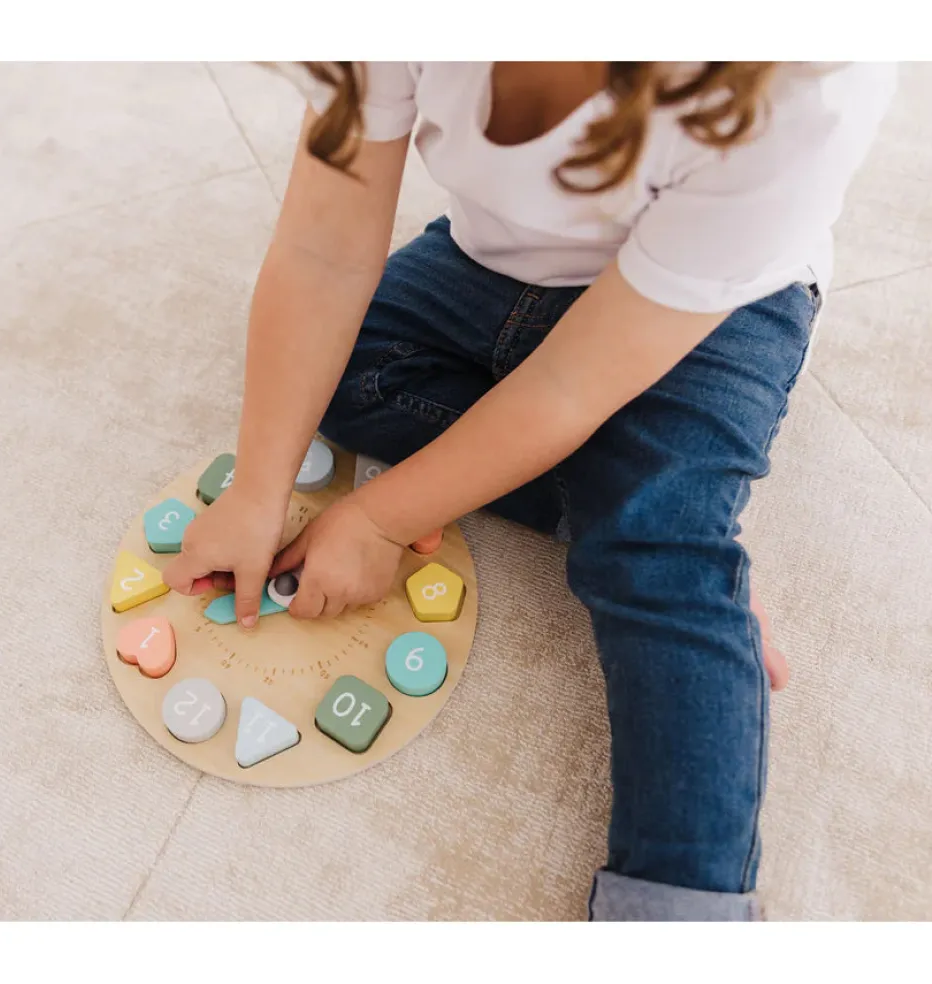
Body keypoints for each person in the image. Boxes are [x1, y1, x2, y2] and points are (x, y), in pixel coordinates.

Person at [163, 62, 896, 920]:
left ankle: (678, 904)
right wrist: (257, 486)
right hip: (493, 266)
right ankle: (645, 510)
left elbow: (569, 389)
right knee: (336, 380)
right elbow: (323, 252)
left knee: (659, 554)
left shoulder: (803, 89)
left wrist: (383, 517)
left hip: (710, 312)